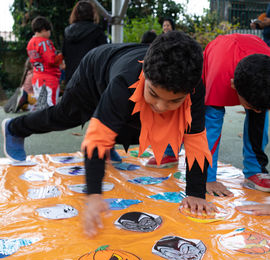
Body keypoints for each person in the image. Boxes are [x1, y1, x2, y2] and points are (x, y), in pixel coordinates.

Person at [2, 31, 215, 237]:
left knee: (135, 120)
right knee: (64, 116)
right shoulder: (124, 83)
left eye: (174, 101)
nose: (161, 106)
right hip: (95, 71)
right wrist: (94, 194)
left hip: (121, 76)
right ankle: (15, 128)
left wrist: (196, 192)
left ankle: (117, 138)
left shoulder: (193, 88)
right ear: (146, 77)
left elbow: (196, 138)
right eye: (154, 94)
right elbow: (97, 137)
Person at [202, 33, 270, 196]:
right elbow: (210, 130)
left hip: (255, 53)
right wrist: (207, 179)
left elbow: (259, 108)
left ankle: (255, 170)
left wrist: (259, 107)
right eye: (249, 106)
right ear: (234, 86)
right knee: (208, 117)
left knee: (259, 118)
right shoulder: (219, 76)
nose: (257, 110)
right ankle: (170, 152)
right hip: (220, 56)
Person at [62, 0, 107, 84]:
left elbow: (64, 54)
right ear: (92, 13)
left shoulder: (67, 31)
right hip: (91, 77)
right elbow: (104, 54)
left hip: (71, 77)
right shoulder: (97, 31)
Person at [27, 16, 64, 109]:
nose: (49, 33)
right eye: (49, 31)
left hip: (37, 78)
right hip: (49, 79)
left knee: (41, 105)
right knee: (51, 107)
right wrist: (62, 55)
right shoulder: (44, 42)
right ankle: (50, 123)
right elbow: (52, 60)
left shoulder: (30, 43)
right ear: (44, 30)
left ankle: (40, 122)